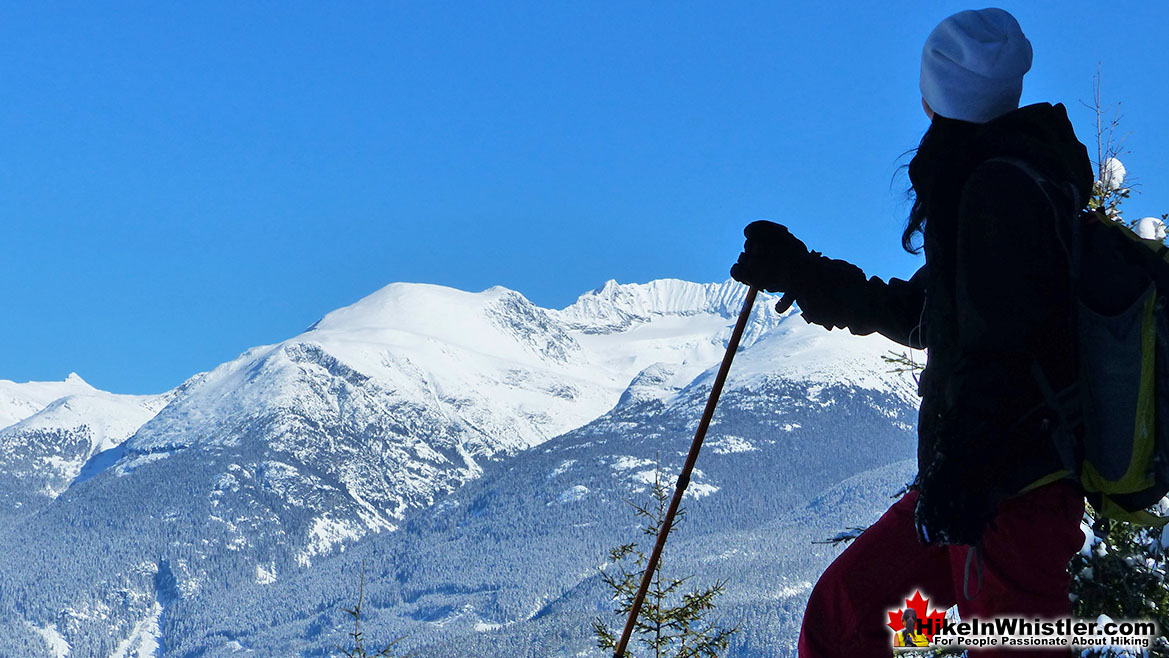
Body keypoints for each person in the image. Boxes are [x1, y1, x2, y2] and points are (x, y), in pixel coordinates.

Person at [730, 9, 1092, 657]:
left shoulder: (1000, 190)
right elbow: (931, 316)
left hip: (1009, 491)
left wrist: (963, 479)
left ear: (937, 94)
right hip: (977, 483)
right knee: (848, 613)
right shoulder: (996, 179)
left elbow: (999, 350)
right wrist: (803, 274)